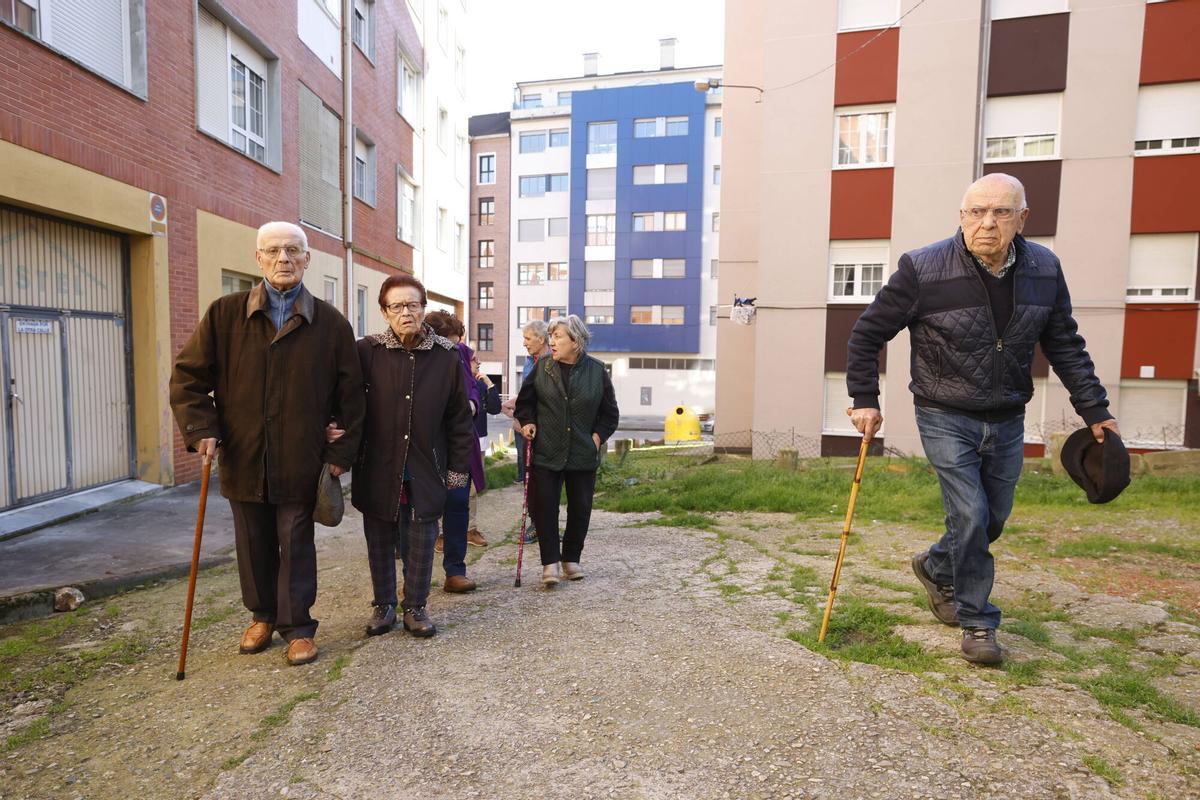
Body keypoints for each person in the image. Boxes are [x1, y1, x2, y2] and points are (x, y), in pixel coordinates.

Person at [846, 173, 1119, 665]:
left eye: (1000, 212)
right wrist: (864, 398)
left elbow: (1064, 344)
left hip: (1009, 412)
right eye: (976, 212)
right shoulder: (923, 268)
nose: (987, 223)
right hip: (943, 411)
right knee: (969, 514)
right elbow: (867, 334)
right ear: (961, 216)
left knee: (991, 518)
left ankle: (935, 565)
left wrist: (1095, 410)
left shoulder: (1045, 269)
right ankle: (977, 622)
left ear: (1022, 219)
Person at [170, 221, 364, 666]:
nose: (284, 259)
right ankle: (261, 615)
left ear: (307, 259)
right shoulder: (225, 314)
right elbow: (188, 377)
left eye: (293, 250)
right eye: (273, 251)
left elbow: (351, 395)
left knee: (296, 541)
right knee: (253, 541)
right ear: (258, 259)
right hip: (244, 454)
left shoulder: (331, 324)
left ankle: (297, 626)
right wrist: (202, 429)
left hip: (301, 456)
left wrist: (339, 453)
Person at [350, 275, 474, 636]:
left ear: (423, 308)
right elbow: (349, 405)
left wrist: (457, 471)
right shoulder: (366, 351)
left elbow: (459, 420)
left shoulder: (446, 357)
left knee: (421, 539)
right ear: (384, 311)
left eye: (413, 305)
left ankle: (416, 607)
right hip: (377, 465)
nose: (406, 312)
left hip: (426, 465)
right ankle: (384, 604)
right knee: (380, 538)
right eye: (397, 306)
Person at [515, 315, 619, 586]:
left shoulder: (596, 371)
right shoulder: (542, 368)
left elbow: (609, 414)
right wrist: (527, 423)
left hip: (582, 452)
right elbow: (525, 404)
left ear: (576, 340)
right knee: (544, 508)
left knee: (580, 508)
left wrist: (596, 438)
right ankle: (550, 563)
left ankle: (571, 558)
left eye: (558, 336)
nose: (552, 341)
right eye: (551, 336)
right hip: (546, 450)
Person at [424, 310, 487, 593]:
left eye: (455, 341)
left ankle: (455, 570)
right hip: (424, 448)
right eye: (447, 341)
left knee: (458, 503)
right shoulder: (421, 355)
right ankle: (417, 578)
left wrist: (472, 404)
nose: (453, 347)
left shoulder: (461, 353)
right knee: (420, 511)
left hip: (458, 449)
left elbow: (472, 385)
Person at [503, 320, 551, 488]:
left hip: (546, 425)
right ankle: (531, 509)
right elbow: (526, 394)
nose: (524, 343)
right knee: (528, 468)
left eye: (528, 339)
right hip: (528, 423)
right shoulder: (529, 361)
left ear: (541, 339)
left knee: (544, 476)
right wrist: (519, 417)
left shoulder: (554, 361)